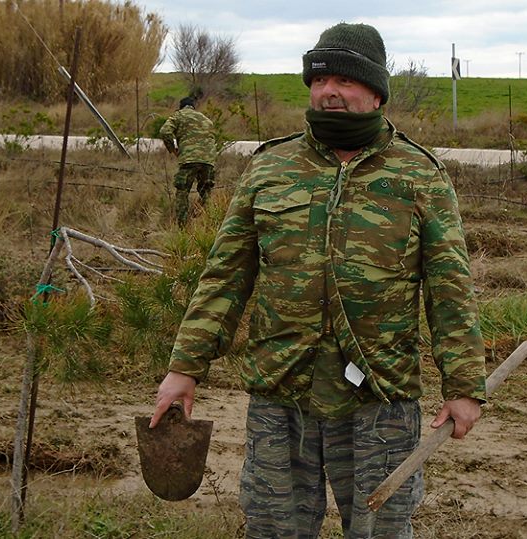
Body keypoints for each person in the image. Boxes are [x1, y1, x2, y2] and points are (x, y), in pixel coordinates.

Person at [150, 22, 486, 538]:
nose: (329, 91)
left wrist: (463, 385)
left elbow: (450, 288)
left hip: (380, 397)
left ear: (376, 92)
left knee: (380, 530)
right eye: (320, 79)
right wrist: (184, 367)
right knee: (273, 528)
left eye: (345, 80)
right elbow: (226, 276)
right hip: (282, 393)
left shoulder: (419, 174)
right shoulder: (271, 167)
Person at [158, 96, 217, 226]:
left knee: (182, 192)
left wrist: (172, 149)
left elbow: (165, 131)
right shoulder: (206, 119)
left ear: (181, 106)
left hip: (189, 159)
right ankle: (212, 223)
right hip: (208, 160)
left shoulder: (179, 115)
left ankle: (182, 227)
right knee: (206, 192)